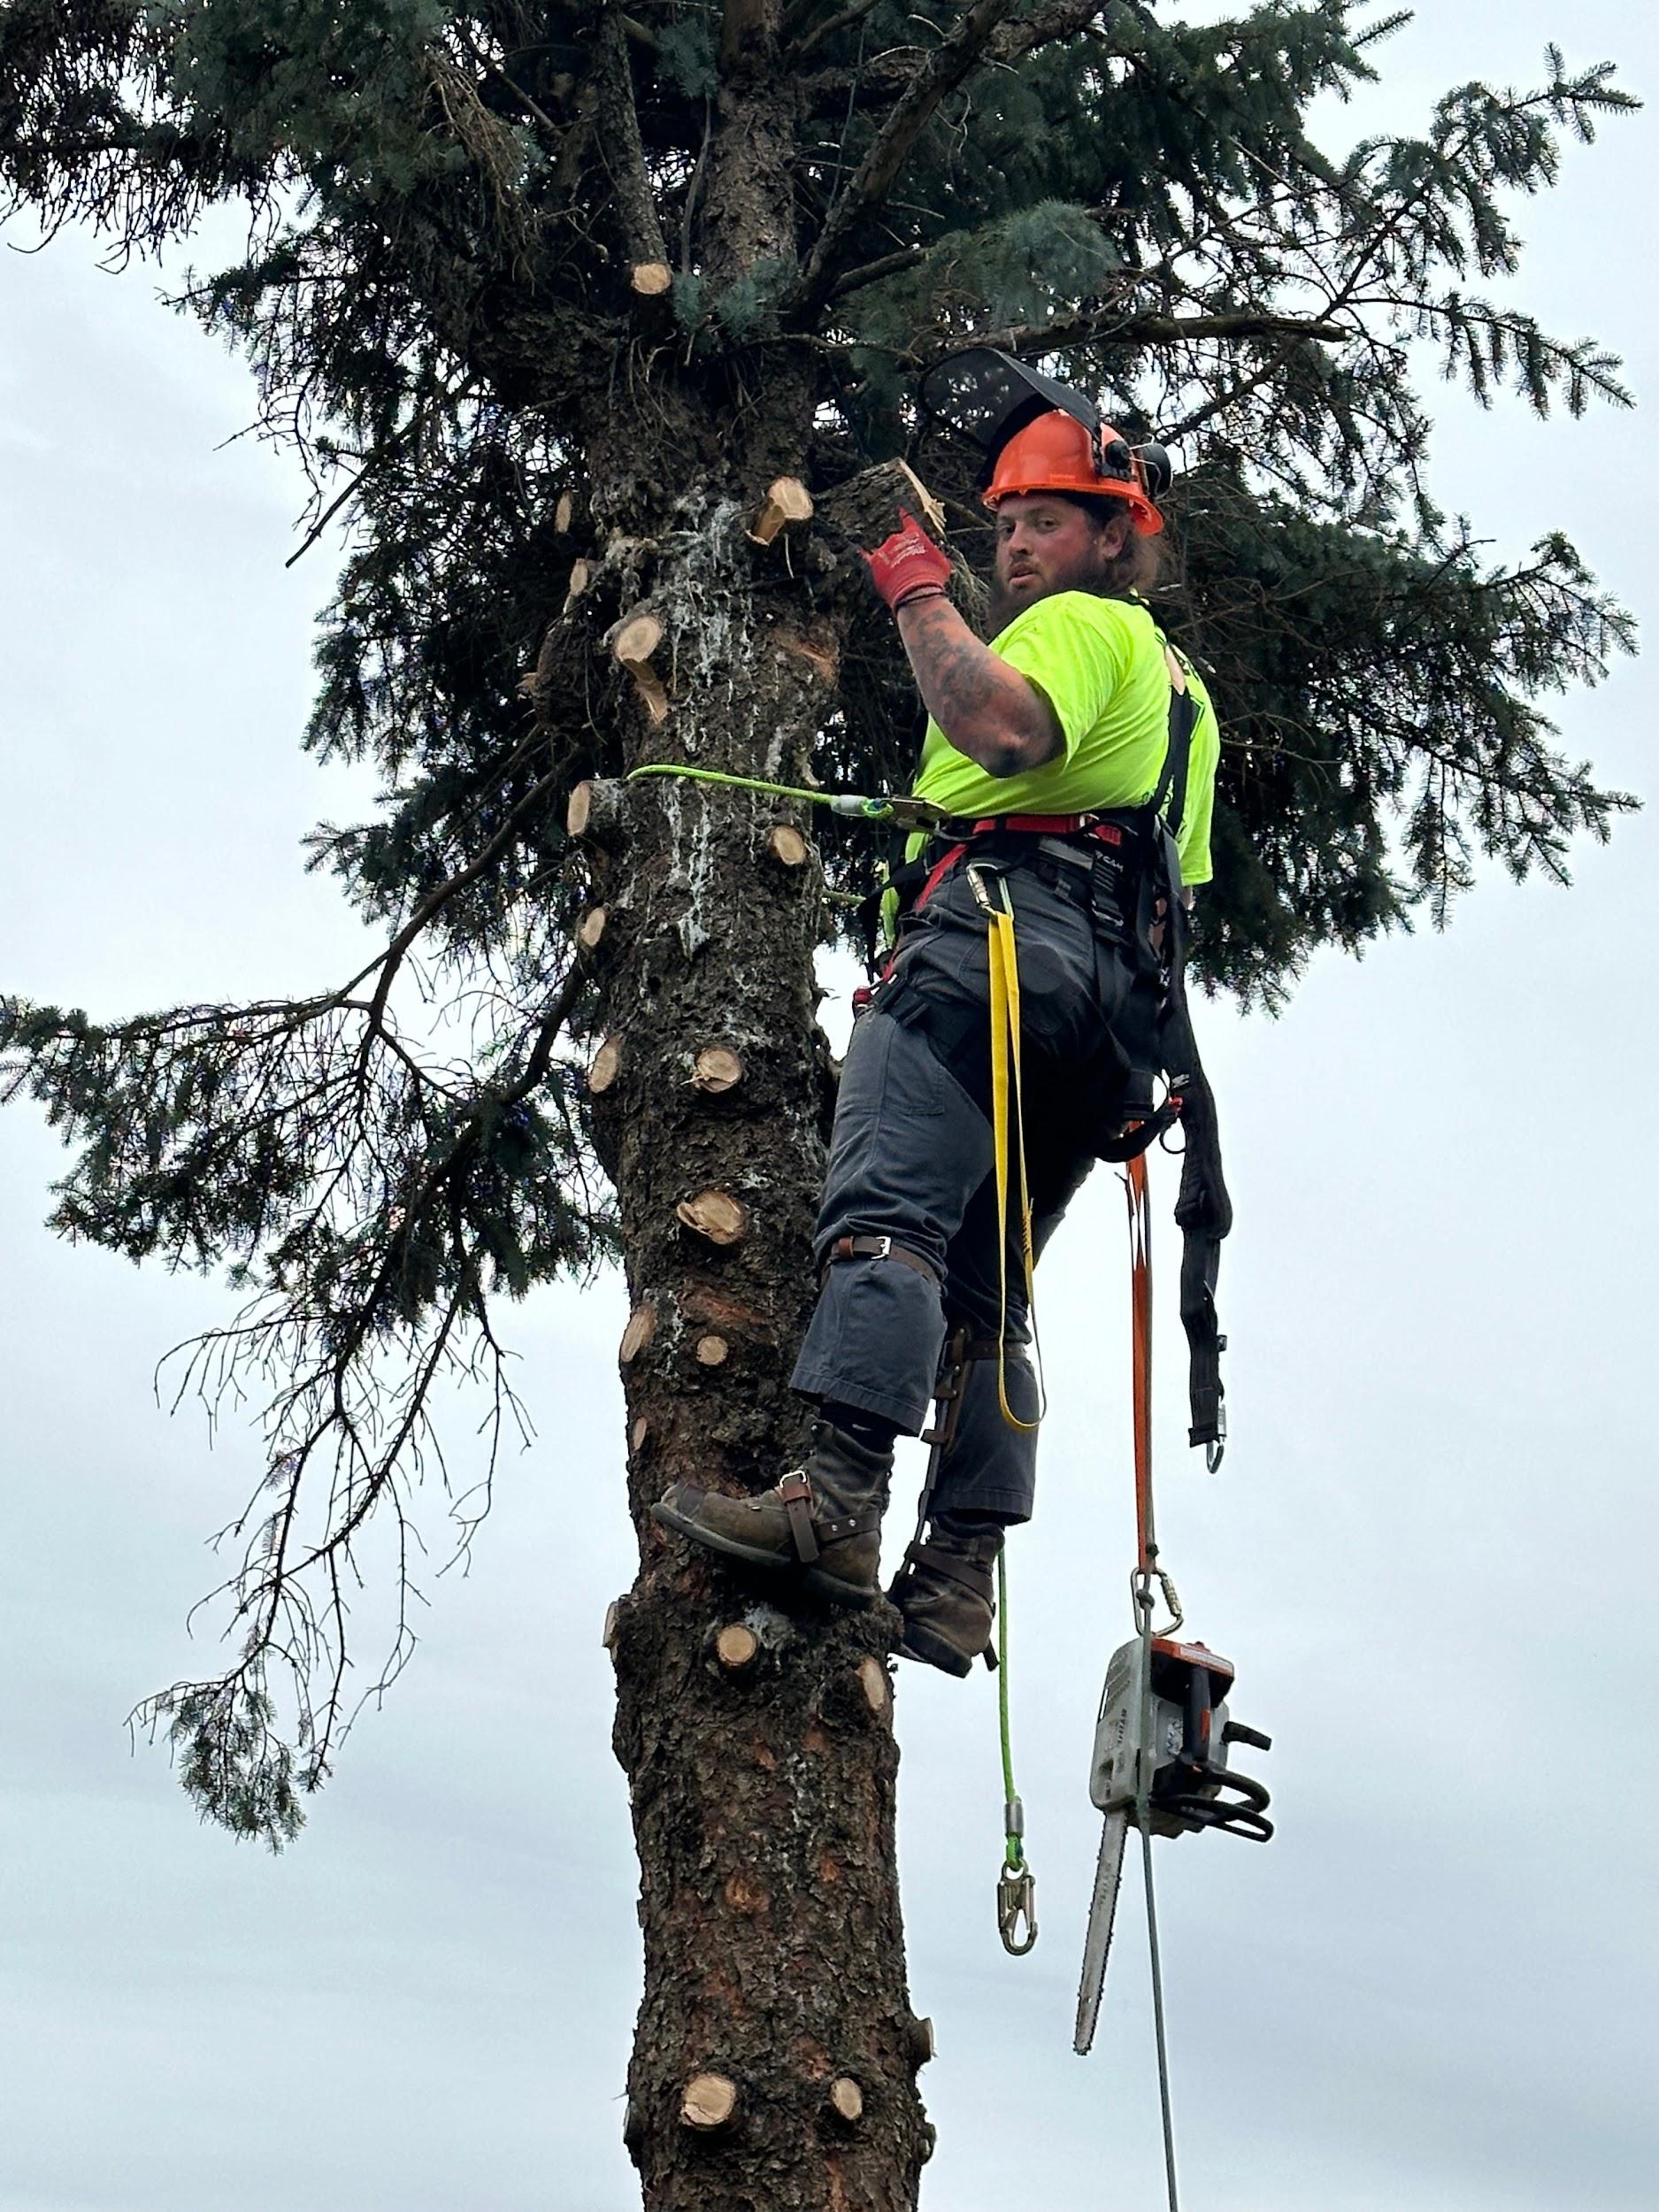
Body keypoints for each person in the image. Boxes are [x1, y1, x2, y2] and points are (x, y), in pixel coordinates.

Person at [654, 401, 1223, 1676]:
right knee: (986, 1298)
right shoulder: (1186, 699)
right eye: (1006, 527)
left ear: (1113, 536)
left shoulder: (1080, 628)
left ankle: (831, 1508)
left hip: (993, 956)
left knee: (888, 1220)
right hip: (1111, 1023)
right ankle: (956, 1581)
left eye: (1047, 523)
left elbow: (1002, 729)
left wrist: (914, 580)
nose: (1017, 548)